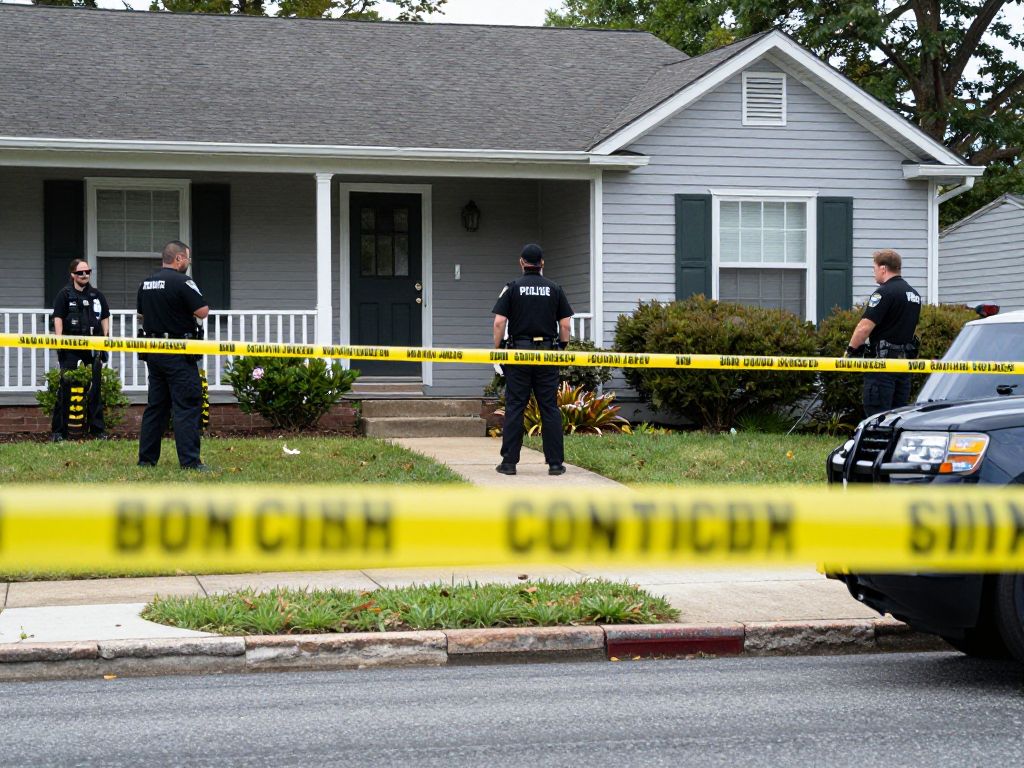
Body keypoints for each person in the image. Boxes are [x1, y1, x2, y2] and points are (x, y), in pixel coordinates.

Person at [492, 243, 574, 476]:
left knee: (515, 406)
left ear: (521, 262)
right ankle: (555, 464)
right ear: (542, 263)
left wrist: (498, 349)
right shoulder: (555, 288)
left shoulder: (512, 288)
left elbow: (499, 322)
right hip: (547, 354)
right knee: (549, 407)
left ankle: (509, 463)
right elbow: (565, 325)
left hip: (519, 354)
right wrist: (561, 347)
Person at [136, 240, 211, 471]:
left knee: (156, 406)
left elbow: (141, 314)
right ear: (178, 258)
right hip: (178, 351)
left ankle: (146, 460)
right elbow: (202, 311)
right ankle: (190, 461)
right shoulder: (183, 281)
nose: (188, 262)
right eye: (187, 258)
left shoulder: (146, 283)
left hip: (153, 350)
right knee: (187, 404)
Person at [846, 248, 922, 417]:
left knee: (877, 418)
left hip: (882, 366)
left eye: (874, 268)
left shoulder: (884, 292)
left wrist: (851, 351)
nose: (874, 273)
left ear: (883, 268)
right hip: (903, 367)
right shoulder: (914, 295)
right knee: (897, 418)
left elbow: (864, 327)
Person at [50, 258, 110, 442]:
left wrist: (105, 339)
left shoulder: (96, 295)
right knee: (66, 388)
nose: (84, 275)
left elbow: (105, 317)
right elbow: (58, 318)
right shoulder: (64, 295)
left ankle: (97, 430)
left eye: (87, 272)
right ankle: (59, 431)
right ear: (72, 274)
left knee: (95, 389)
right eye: (80, 272)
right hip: (71, 347)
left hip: (93, 347)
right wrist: (59, 341)